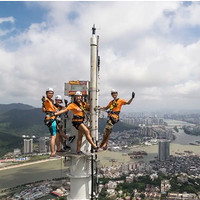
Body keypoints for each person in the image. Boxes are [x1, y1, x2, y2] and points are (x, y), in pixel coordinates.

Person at [42, 88, 59, 158]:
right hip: (51, 119)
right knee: (53, 136)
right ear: (46, 93)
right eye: (49, 93)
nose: (51, 94)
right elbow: (44, 100)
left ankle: (58, 149)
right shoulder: (46, 100)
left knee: (56, 134)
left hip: (51, 119)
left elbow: (43, 110)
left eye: (52, 93)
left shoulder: (50, 101)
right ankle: (52, 153)